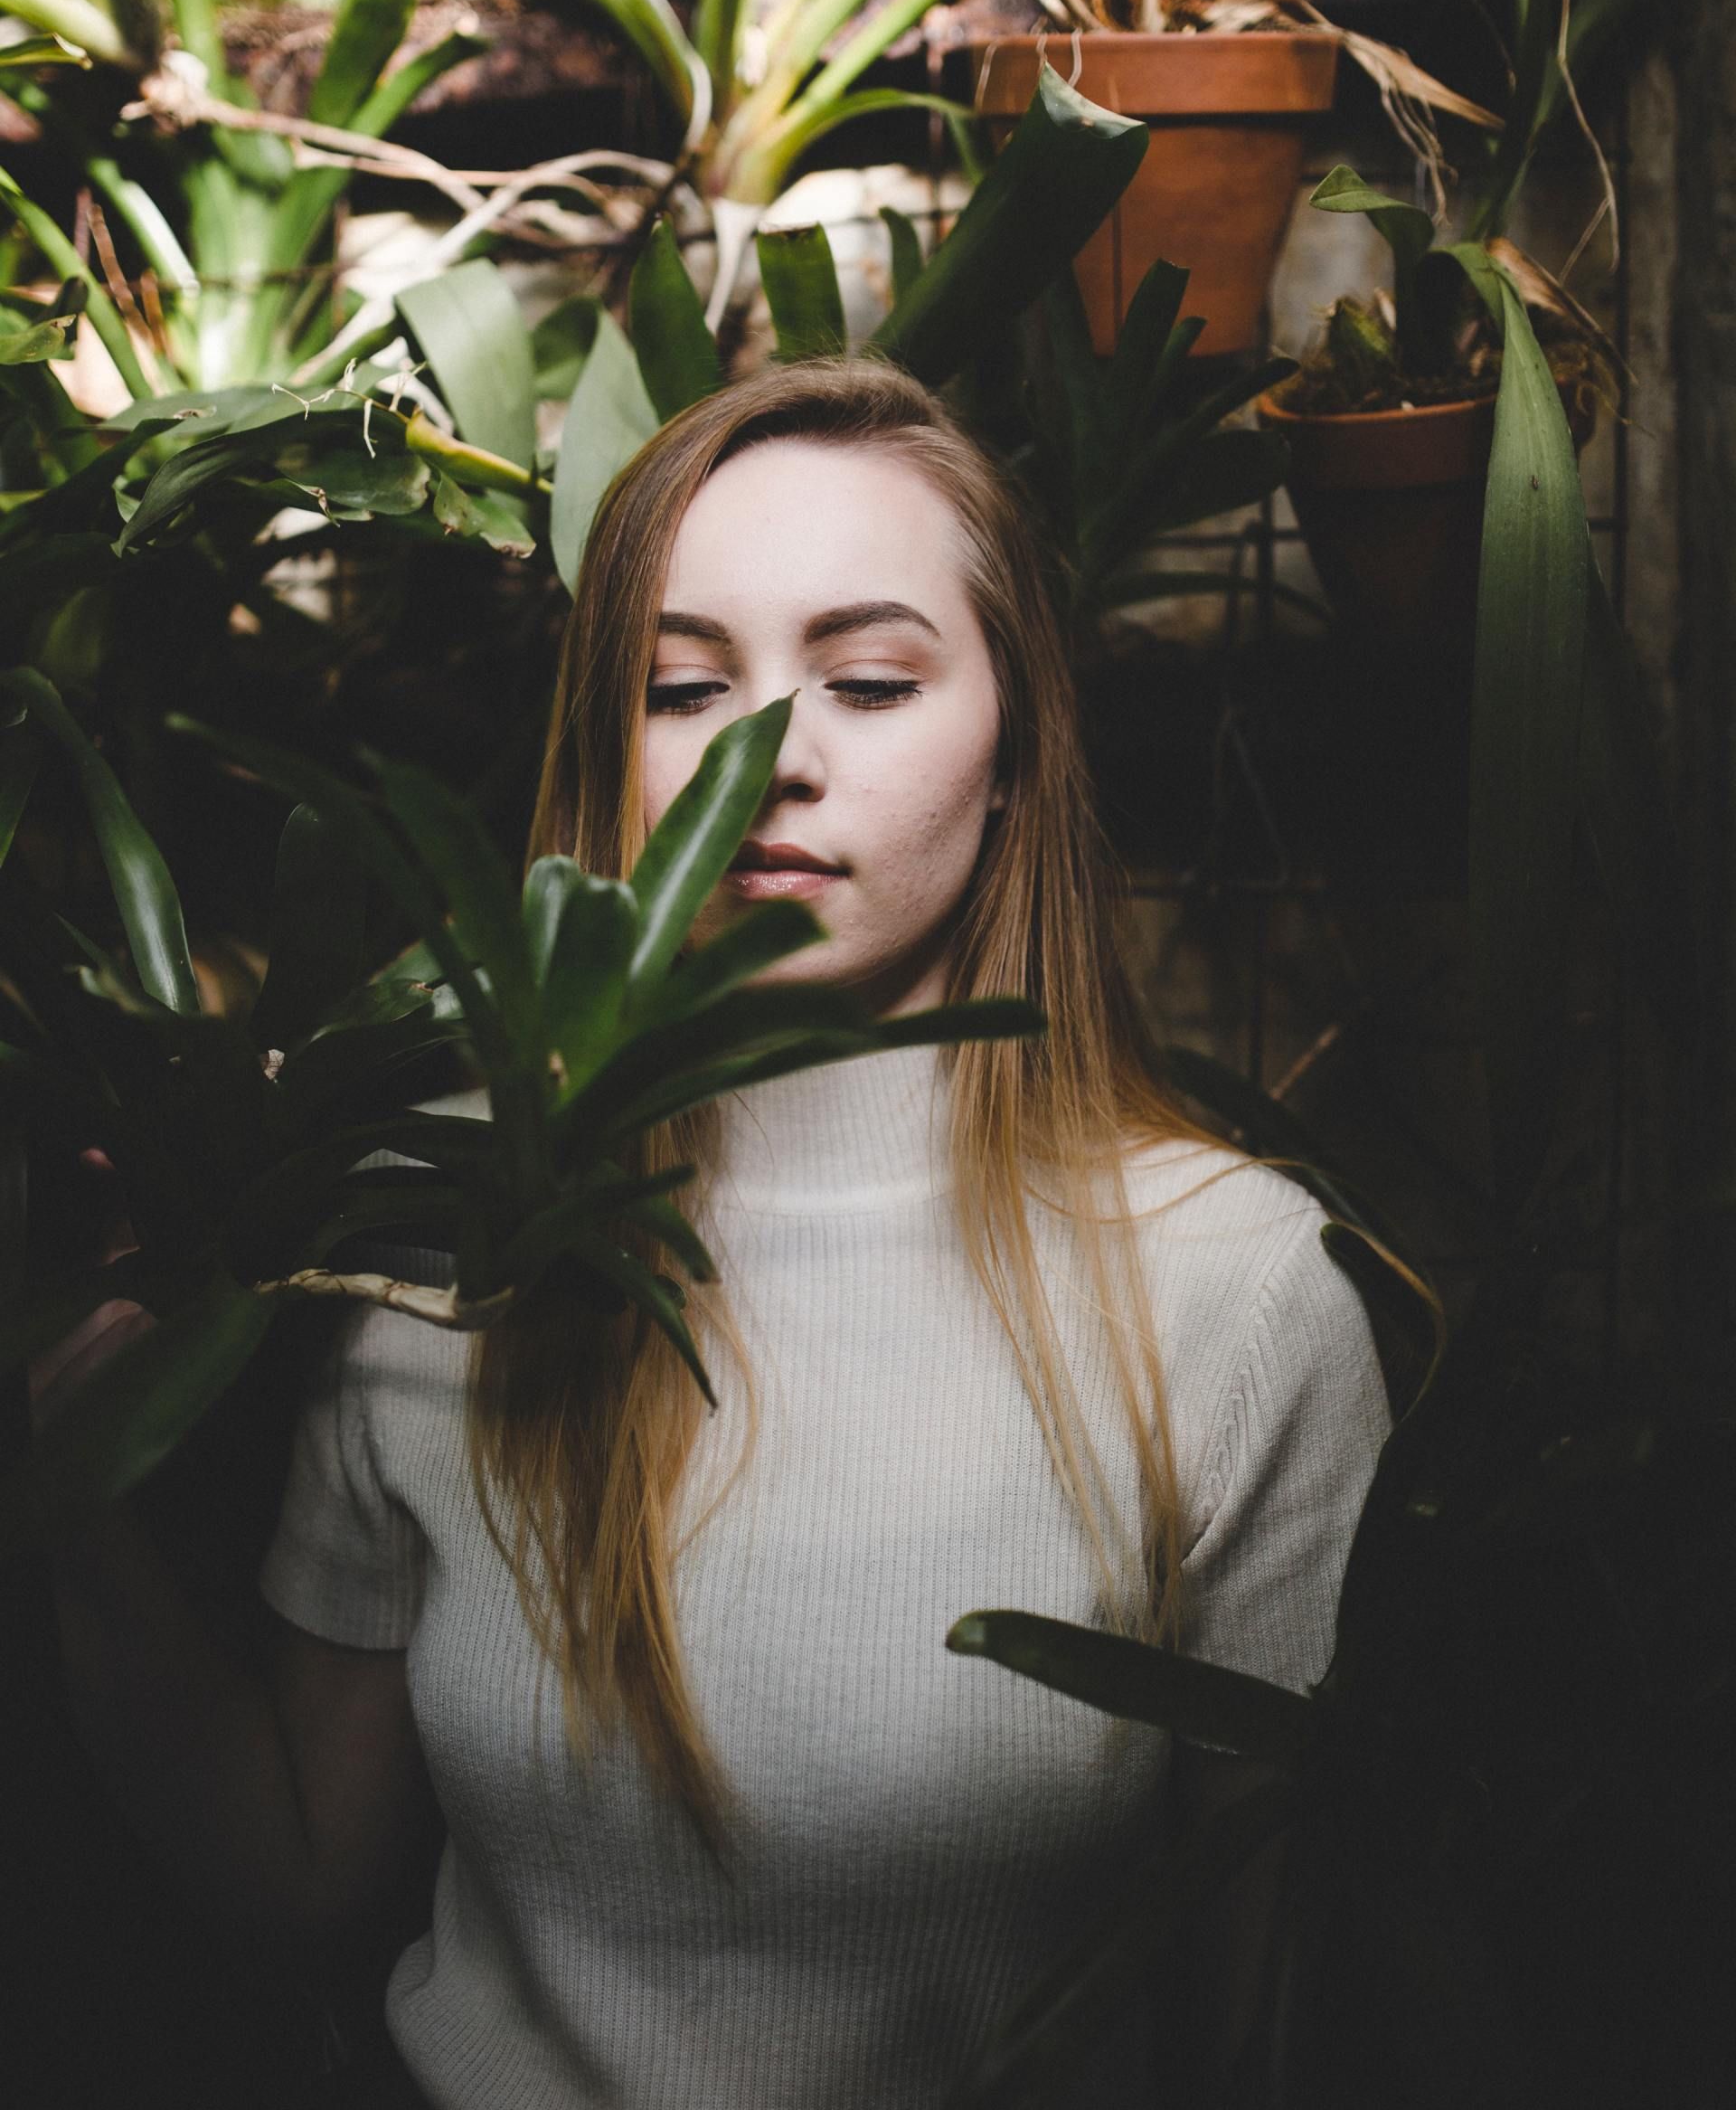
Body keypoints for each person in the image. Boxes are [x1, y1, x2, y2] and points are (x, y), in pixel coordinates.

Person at [35, 356, 1391, 2108]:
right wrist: (74, 1521)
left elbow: (1260, 1992)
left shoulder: (1241, 1290)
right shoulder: (436, 1232)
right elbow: (298, 1871)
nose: (771, 753)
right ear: (610, 757)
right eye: (686, 684)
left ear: (1011, 758)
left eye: (872, 677)